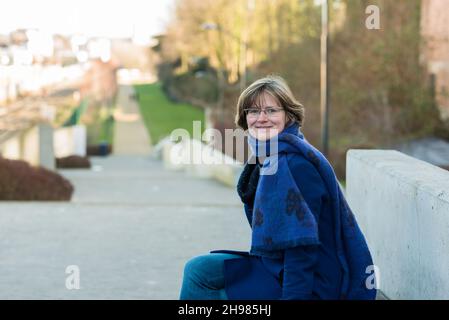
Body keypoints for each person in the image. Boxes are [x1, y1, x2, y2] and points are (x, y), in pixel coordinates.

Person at [179, 75, 377, 300]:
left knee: (219, 298)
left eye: (271, 111)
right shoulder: (265, 158)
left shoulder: (295, 165)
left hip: (312, 280)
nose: (261, 118)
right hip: (274, 265)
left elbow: (301, 249)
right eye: (253, 111)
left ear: (288, 115)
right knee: (198, 269)